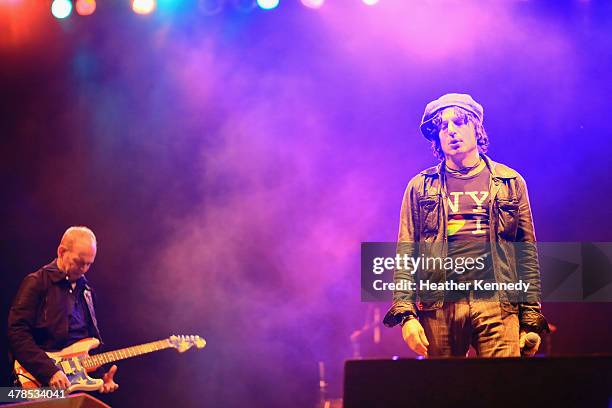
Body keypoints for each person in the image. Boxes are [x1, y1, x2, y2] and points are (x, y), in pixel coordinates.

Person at [383, 93, 548, 357]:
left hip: (498, 304)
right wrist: (407, 315)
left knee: (503, 392)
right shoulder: (420, 186)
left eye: (459, 122)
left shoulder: (510, 182)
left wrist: (530, 319)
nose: (451, 131)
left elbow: (526, 254)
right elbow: (406, 254)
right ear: (437, 137)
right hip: (440, 306)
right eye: (443, 127)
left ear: (476, 128)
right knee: (444, 395)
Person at [8, 226, 118, 392]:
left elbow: (88, 339)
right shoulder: (36, 282)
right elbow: (16, 333)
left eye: (89, 264)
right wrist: (50, 371)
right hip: (39, 380)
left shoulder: (87, 292)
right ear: (61, 252)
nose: (84, 269)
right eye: (79, 262)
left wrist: (102, 377)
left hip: (73, 385)